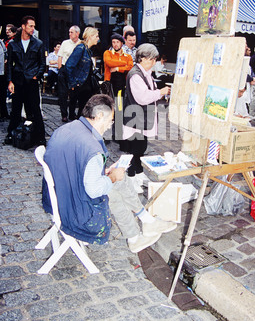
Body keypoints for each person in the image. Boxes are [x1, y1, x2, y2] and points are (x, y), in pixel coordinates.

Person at [42, 94, 176, 253]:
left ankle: (145, 222)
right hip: (74, 209)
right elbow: (94, 190)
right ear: (99, 116)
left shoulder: (66, 129)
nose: (110, 125)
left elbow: (73, 162)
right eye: (110, 120)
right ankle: (135, 236)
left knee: (117, 179)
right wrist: (112, 177)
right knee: (113, 190)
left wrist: (104, 173)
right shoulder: (92, 147)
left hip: (57, 195)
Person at [122, 43, 171, 193]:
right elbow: (143, 97)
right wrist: (160, 92)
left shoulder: (145, 72)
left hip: (142, 117)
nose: (154, 62)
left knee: (141, 147)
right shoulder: (135, 75)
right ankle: (131, 178)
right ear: (143, 58)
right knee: (134, 148)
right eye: (152, 59)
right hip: (135, 117)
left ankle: (139, 173)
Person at [4, 15, 46, 145]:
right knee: (16, 109)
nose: (33, 29)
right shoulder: (12, 44)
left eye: (34, 26)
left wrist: (36, 76)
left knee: (35, 110)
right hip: (18, 81)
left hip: (32, 82)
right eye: (30, 26)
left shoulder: (38, 44)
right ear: (23, 26)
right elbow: (9, 64)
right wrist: (10, 81)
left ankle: (40, 137)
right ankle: (11, 135)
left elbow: (42, 64)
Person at [65, 27, 99, 118]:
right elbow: (69, 66)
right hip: (81, 85)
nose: (98, 38)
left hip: (86, 85)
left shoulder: (88, 50)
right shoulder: (80, 48)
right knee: (82, 111)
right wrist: (72, 84)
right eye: (96, 36)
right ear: (90, 36)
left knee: (84, 110)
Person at [57, 25, 81, 122]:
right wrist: (60, 70)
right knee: (62, 94)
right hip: (64, 70)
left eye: (72, 32)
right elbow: (60, 57)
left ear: (77, 33)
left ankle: (72, 113)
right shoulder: (65, 43)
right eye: (69, 32)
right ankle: (64, 114)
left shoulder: (81, 44)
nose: (69, 34)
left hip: (75, 72)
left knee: (74, 94)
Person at [0, 38, 9, 120]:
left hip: (2, 73)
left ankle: (3, 112)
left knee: (2, 94)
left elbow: (6, 53)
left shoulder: (2, 43)